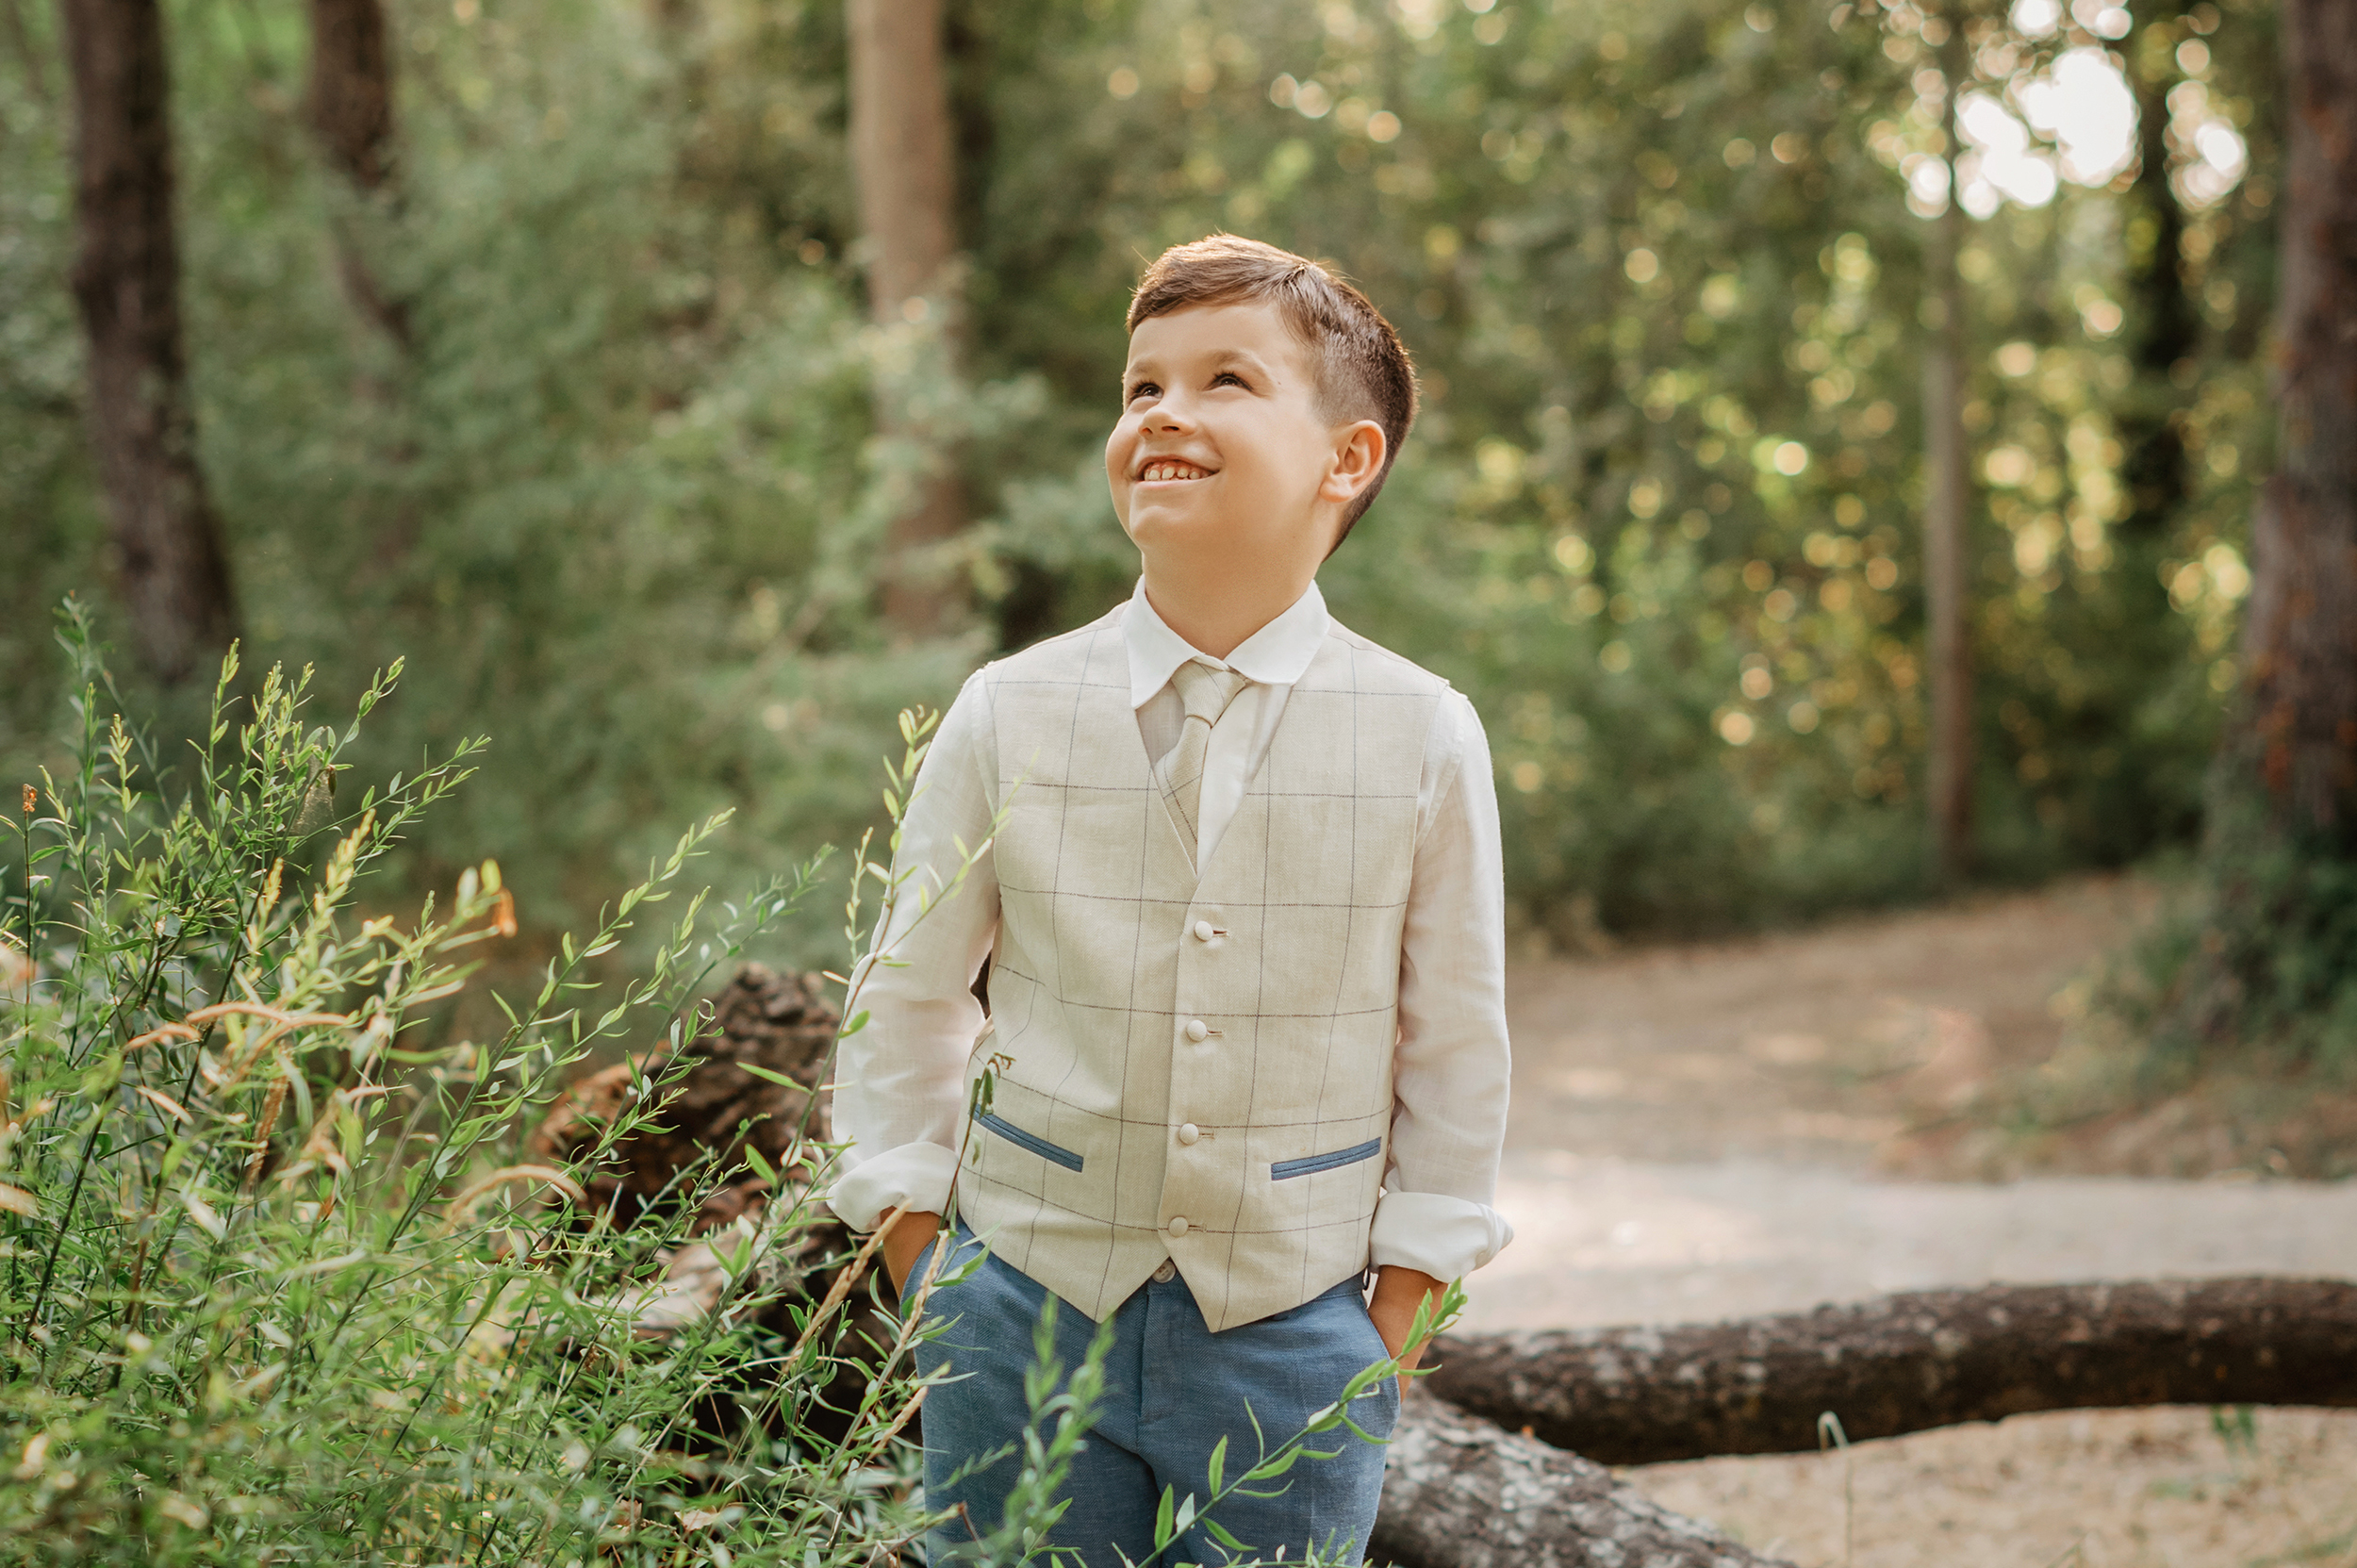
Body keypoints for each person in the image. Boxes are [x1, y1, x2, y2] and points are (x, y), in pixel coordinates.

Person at [826, 234, 1513, 1566]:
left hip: (1294, 1332)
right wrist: (927, 1269)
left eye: (1224, 382)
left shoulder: (1427, 731)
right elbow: (900, 1005)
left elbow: (1456, 1044)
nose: (1164, 415)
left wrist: (1394, 1323)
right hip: (1014, 1313)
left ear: (1346, 458)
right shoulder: (1001, 710)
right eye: (1141, 389)